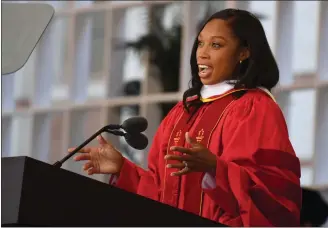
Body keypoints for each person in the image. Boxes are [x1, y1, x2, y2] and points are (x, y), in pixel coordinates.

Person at [69, 9, 302, 227]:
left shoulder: (255, 108)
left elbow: (272, 195)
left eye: (216, 45)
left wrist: (215, 168)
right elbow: (161, 192)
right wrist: (123, 169)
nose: (203, 52)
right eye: (200, 43)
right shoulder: (183, 112)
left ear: (244, 52)